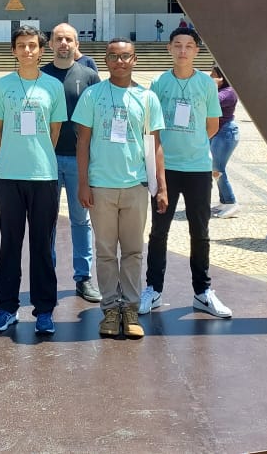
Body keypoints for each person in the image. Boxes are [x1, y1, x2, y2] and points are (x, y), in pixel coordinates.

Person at [73, 38, 167, 340]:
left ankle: (130, 308)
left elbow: (155, 145)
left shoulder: (148, 98)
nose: (120, 62)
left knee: (133, 251)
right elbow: (83, 142)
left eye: (125, 56)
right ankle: (110, 309)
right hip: (101, 186)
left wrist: (160, 186)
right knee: (104, 251)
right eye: (113, 57)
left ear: (135, 60)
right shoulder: (92, 95)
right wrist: (83, 183)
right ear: (106, 61)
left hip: (135, 185)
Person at [140, 29, 232, 319]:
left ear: (196, 51)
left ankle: (202, 291)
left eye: (189, 46)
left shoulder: (206, 84)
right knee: (159, 231)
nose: (183, 50)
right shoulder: (159, 82)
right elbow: (150, 126)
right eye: (178, 45)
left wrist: (192, 145)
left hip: (197, 168)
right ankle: (153, 289)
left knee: (200, 231)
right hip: (165, 169)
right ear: (169, 48)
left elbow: (212, 124)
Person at [0, 27, 67, 335]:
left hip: (44, 175)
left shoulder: (52, 87)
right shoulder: (3, 86)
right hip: (8, 177)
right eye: (22, 46)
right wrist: (10, 157)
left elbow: (54, 132)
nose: (28, 50)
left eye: (33, 45)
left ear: (41, 50)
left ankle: (44, 310)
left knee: (42, 246)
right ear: (14, 51)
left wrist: (38, 156)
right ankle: (7, 308)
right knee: (10, 244)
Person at [41, 23, 102, 303]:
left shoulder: (89, 76)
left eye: (68, 39)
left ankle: (84, 277)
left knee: (81, 220)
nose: (63, 43)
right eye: (58, 39)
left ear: (76, 43)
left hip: (79, 161)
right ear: (50, 44)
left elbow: (99, 118)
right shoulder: (41, 76)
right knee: (47, 221)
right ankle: (46, 275)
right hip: (48, 160)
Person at [210, 65, 242, 219]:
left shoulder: (228, 92)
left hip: (226, 133)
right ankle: (224, 201)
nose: (210, 76)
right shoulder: (220, 90)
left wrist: (212, 85)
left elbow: (211, 102)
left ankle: (231, 203)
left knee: (218, 168)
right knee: (214, 168)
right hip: (219, 132)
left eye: (213, 74)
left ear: (221, 77)